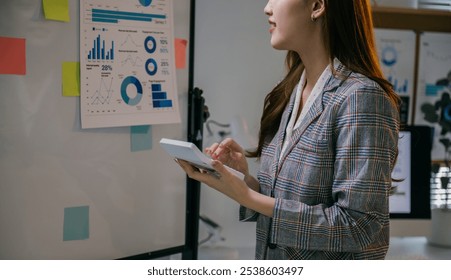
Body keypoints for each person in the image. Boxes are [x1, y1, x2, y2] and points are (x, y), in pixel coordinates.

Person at [176, 0, 401, 260]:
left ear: (317, 6)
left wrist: (247, 196)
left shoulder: (362, 97)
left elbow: (359, 227)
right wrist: (243, 180)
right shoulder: (292, 92)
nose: (267, 8)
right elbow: (288, 202)